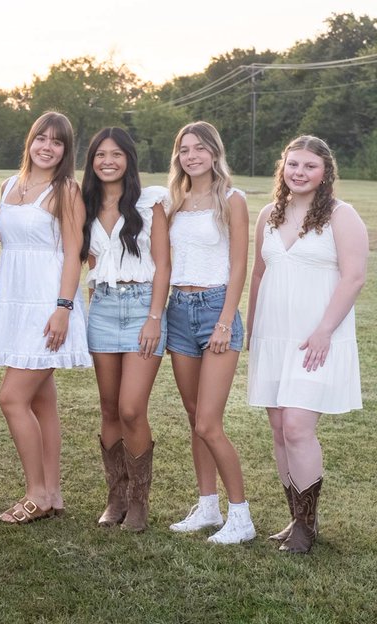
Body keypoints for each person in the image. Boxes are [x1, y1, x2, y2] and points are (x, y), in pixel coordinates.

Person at [246, 135, 367, 554]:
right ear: (283, 168)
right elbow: (259, 275)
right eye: (293, 164)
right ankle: (296, 518)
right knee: (279, 430)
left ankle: (307, 526)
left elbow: (353, 277)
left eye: (309, 166)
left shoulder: (341, 215)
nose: (299, 173)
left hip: (316, 337)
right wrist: (250, 326)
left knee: (298, 427)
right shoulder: (268, 215)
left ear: (325, 172)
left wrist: (324, 330)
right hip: (272, 335)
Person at [0, 111, 89, 524]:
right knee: (42, 403)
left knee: (11, 397)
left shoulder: (66, 190)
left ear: (65, 151)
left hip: (47, 307)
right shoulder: (11, 185)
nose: (47, 146)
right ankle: (54, 491)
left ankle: (36, 495)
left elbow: (72, 253)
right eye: (41, 138)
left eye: (57, 142)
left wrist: (62, 309)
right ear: (30, 141)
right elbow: (4, 233)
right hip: (14, 301)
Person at [165, 121, 255, 544]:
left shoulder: (232, 200)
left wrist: (224, 319)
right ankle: (207, 505)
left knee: (209, 422)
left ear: (215, 152)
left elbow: (240, 264)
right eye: (185, 150)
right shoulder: (174, 201)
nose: (192, 156)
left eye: (200, 148)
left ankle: (241, 517)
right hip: (178, 312)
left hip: (215, 310)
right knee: (192, 416)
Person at [79, 127, 170, 532]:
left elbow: (164, 265)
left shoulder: (149, 203)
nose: (108, 161)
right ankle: (115, 496)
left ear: (128, 159)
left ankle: (139, 500)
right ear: (92, 161)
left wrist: (154, 316)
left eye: (116, 154)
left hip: (141, 310)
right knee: (109, 407)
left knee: (133, 408)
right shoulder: (84, 203)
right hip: (102, 308)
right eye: (100, 154)